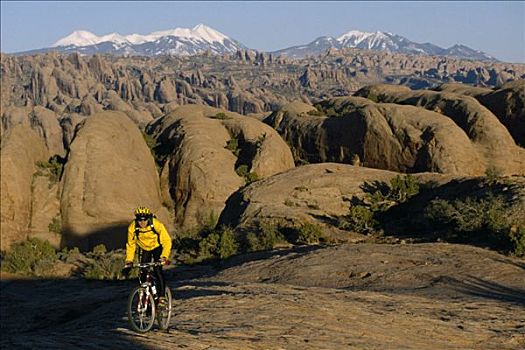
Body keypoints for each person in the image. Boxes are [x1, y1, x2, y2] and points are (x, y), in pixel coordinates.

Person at [122, 206, 172, 306]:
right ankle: (147, 299)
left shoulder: (156, 224)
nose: (142, 222)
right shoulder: (132, 227)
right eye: (139, 220)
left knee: (157, 270)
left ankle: (162, 297)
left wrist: (164, 256)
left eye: (144, 219)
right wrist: (129, 261)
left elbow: (166, 241)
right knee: (143, 272)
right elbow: (131, 245)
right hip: (144, 249)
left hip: (157, 247)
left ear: (148, 218)